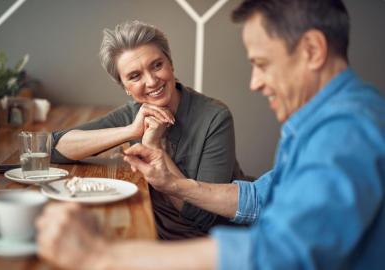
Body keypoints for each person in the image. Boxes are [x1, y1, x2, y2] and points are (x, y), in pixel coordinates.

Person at [37, 0, 385, 269]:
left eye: (261, 64)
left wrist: (102, 256)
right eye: (134, 75)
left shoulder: (346, 132)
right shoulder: (321, 121)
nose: (255, 82)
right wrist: (172, 182)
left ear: (311, 50)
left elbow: (283, 254)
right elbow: (261, 198)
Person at [50, 20, 244, 240]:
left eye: (157, 65)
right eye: (135, 76)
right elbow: (55, 147)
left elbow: (202, 217)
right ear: (125, 88)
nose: (152, 81)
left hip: (205, 242)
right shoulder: (134, 113)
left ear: (171, 64)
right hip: (153, 228)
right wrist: (132, 131)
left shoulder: (215, 117)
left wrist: (152, 146)